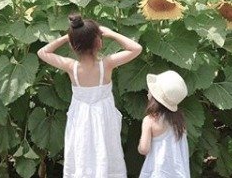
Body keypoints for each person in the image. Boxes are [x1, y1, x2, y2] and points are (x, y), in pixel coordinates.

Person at [37, 13, 143, 178]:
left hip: (80, 117)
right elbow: (136, 48)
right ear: (99, 42)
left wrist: (68, 37)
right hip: (104, 116)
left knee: (82, 151)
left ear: (73, 46)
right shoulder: (107, 64)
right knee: (106, 150)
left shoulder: (71, 66)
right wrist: (112, 33)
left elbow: (42, 52)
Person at [138, 70, 190, 178]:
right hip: (177, 173)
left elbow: (144, 149)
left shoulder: (150, 121)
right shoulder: (180, 121)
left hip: (157, 172)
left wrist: (140, 144)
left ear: (155, 97)